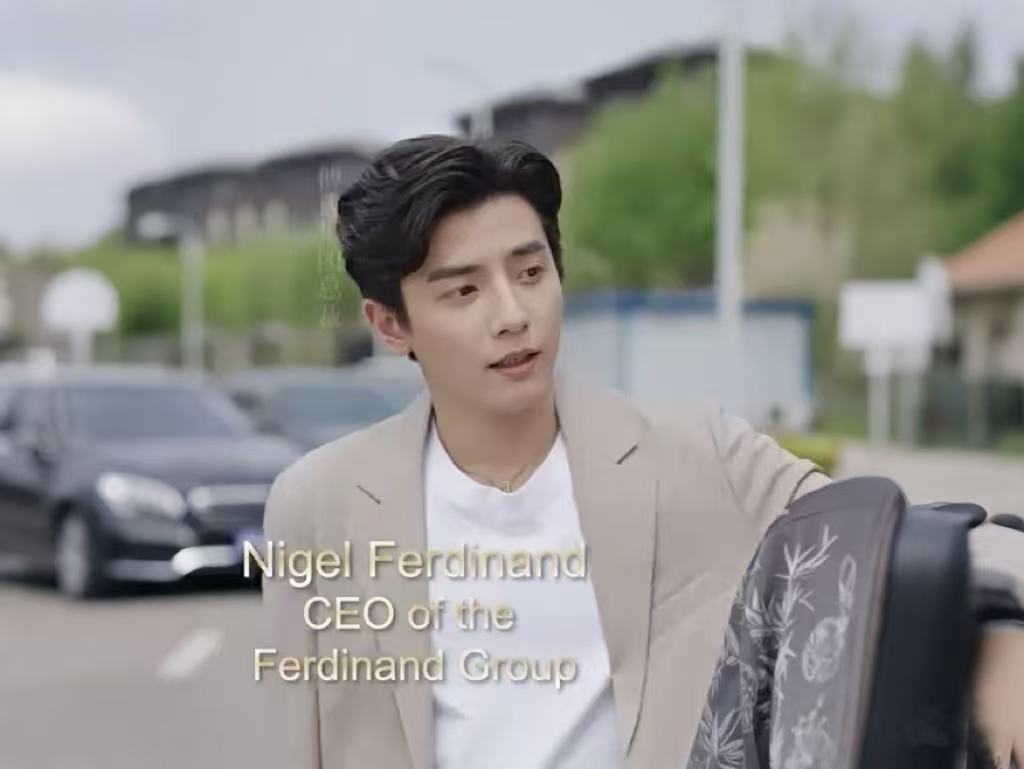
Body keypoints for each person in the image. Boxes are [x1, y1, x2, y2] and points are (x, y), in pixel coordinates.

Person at [260, 135, 1023, 769]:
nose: (513, 313)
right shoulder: (320, 503)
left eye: (530, 272)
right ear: (390, 324)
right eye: (464, 291)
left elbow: (896, 537)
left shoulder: (698, 455)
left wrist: (999, 626)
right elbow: (297, 740)